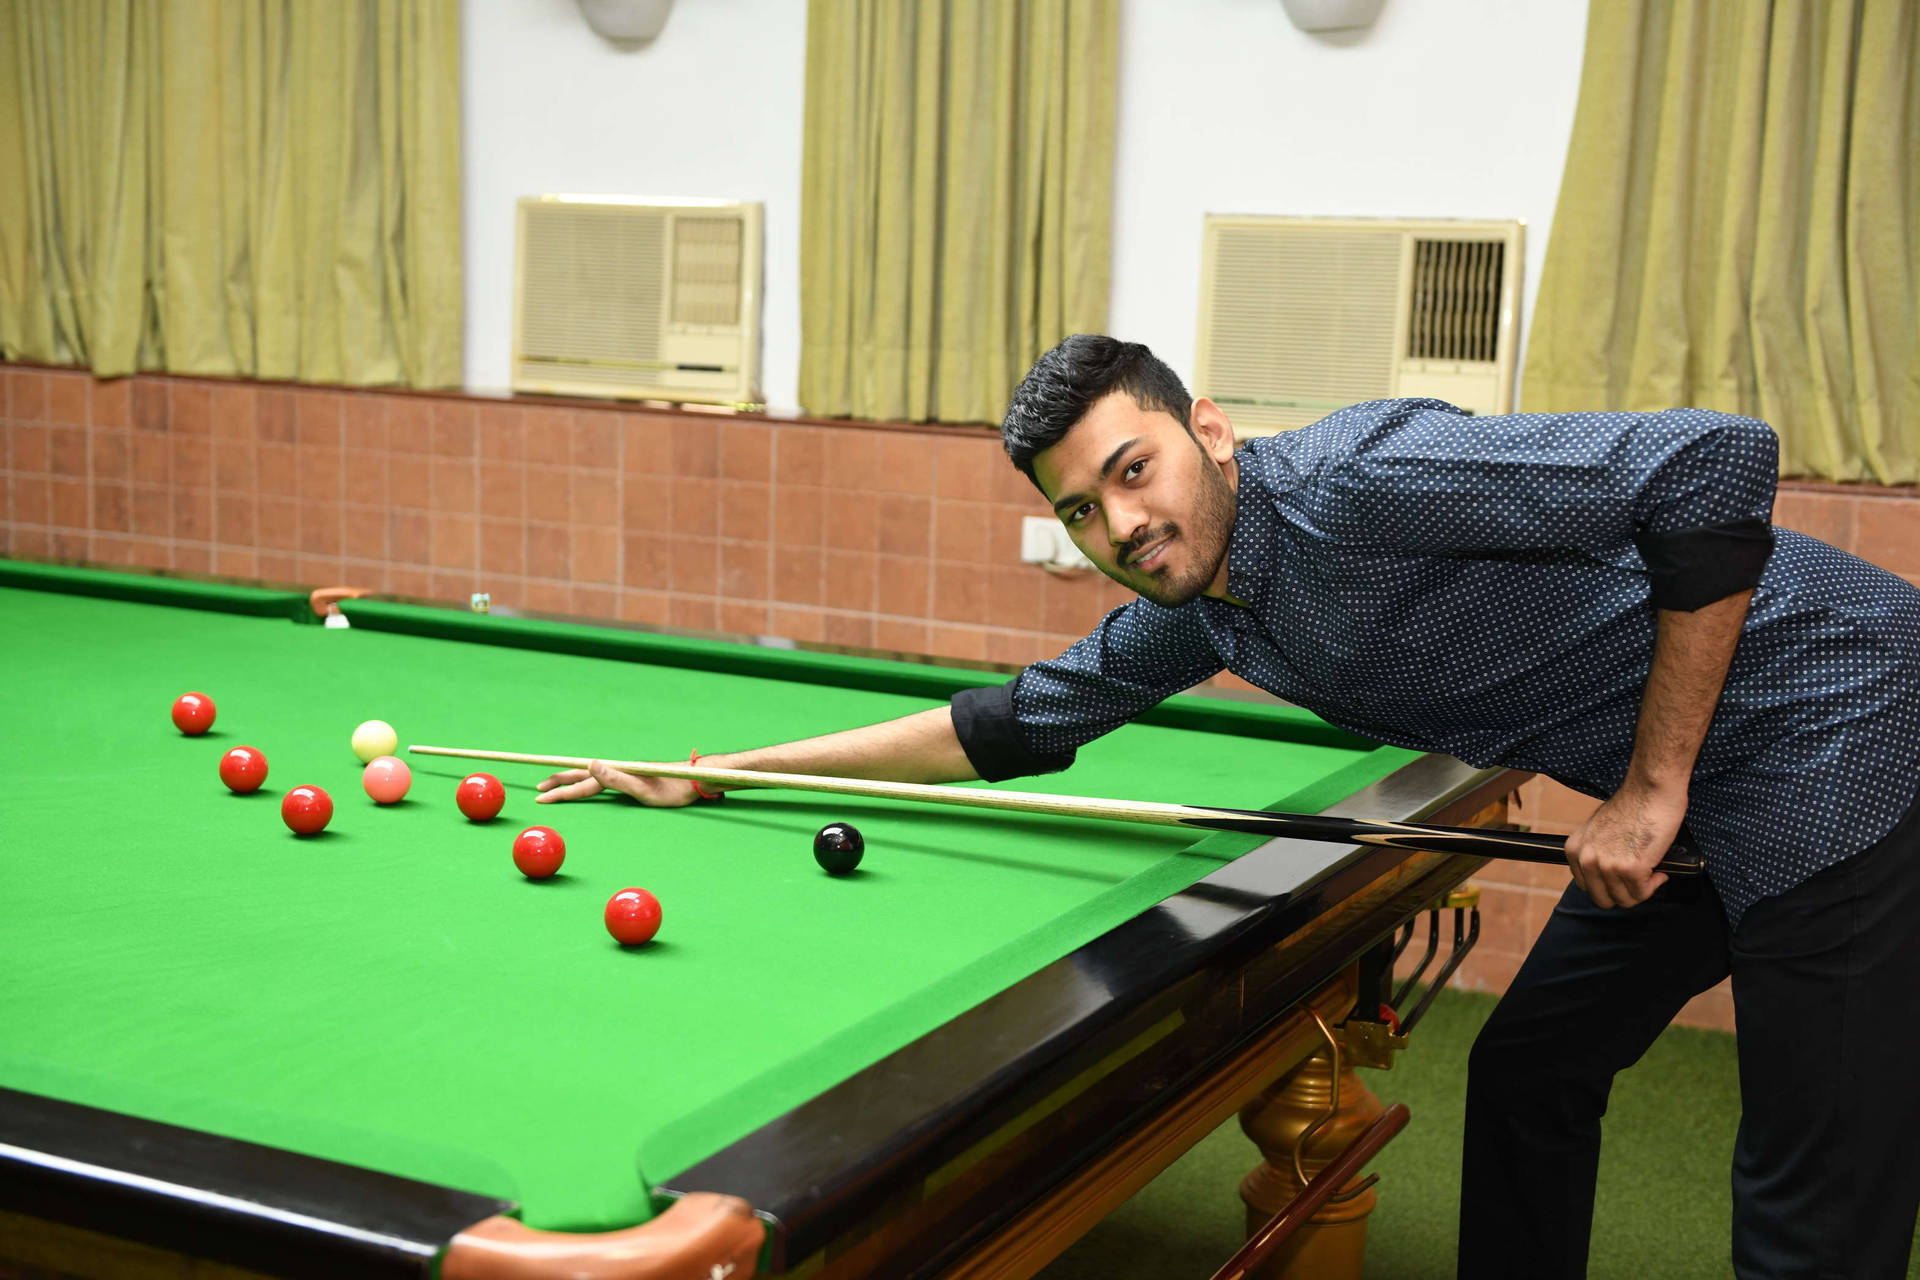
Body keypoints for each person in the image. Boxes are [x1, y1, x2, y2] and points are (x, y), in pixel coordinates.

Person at [538, 334, 1920, 1279]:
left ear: (1207, 431)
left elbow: (1718, 464)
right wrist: (723, 774)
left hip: (1838, 729)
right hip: (1697, 795)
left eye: (1132, 470)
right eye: (1082, 511)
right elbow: (1014, 723)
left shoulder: (1354, 487)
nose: (1122, 524)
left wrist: (1654, 786)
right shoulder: (1211, 601)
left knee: (1811, 1199)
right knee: (1532, 1071)